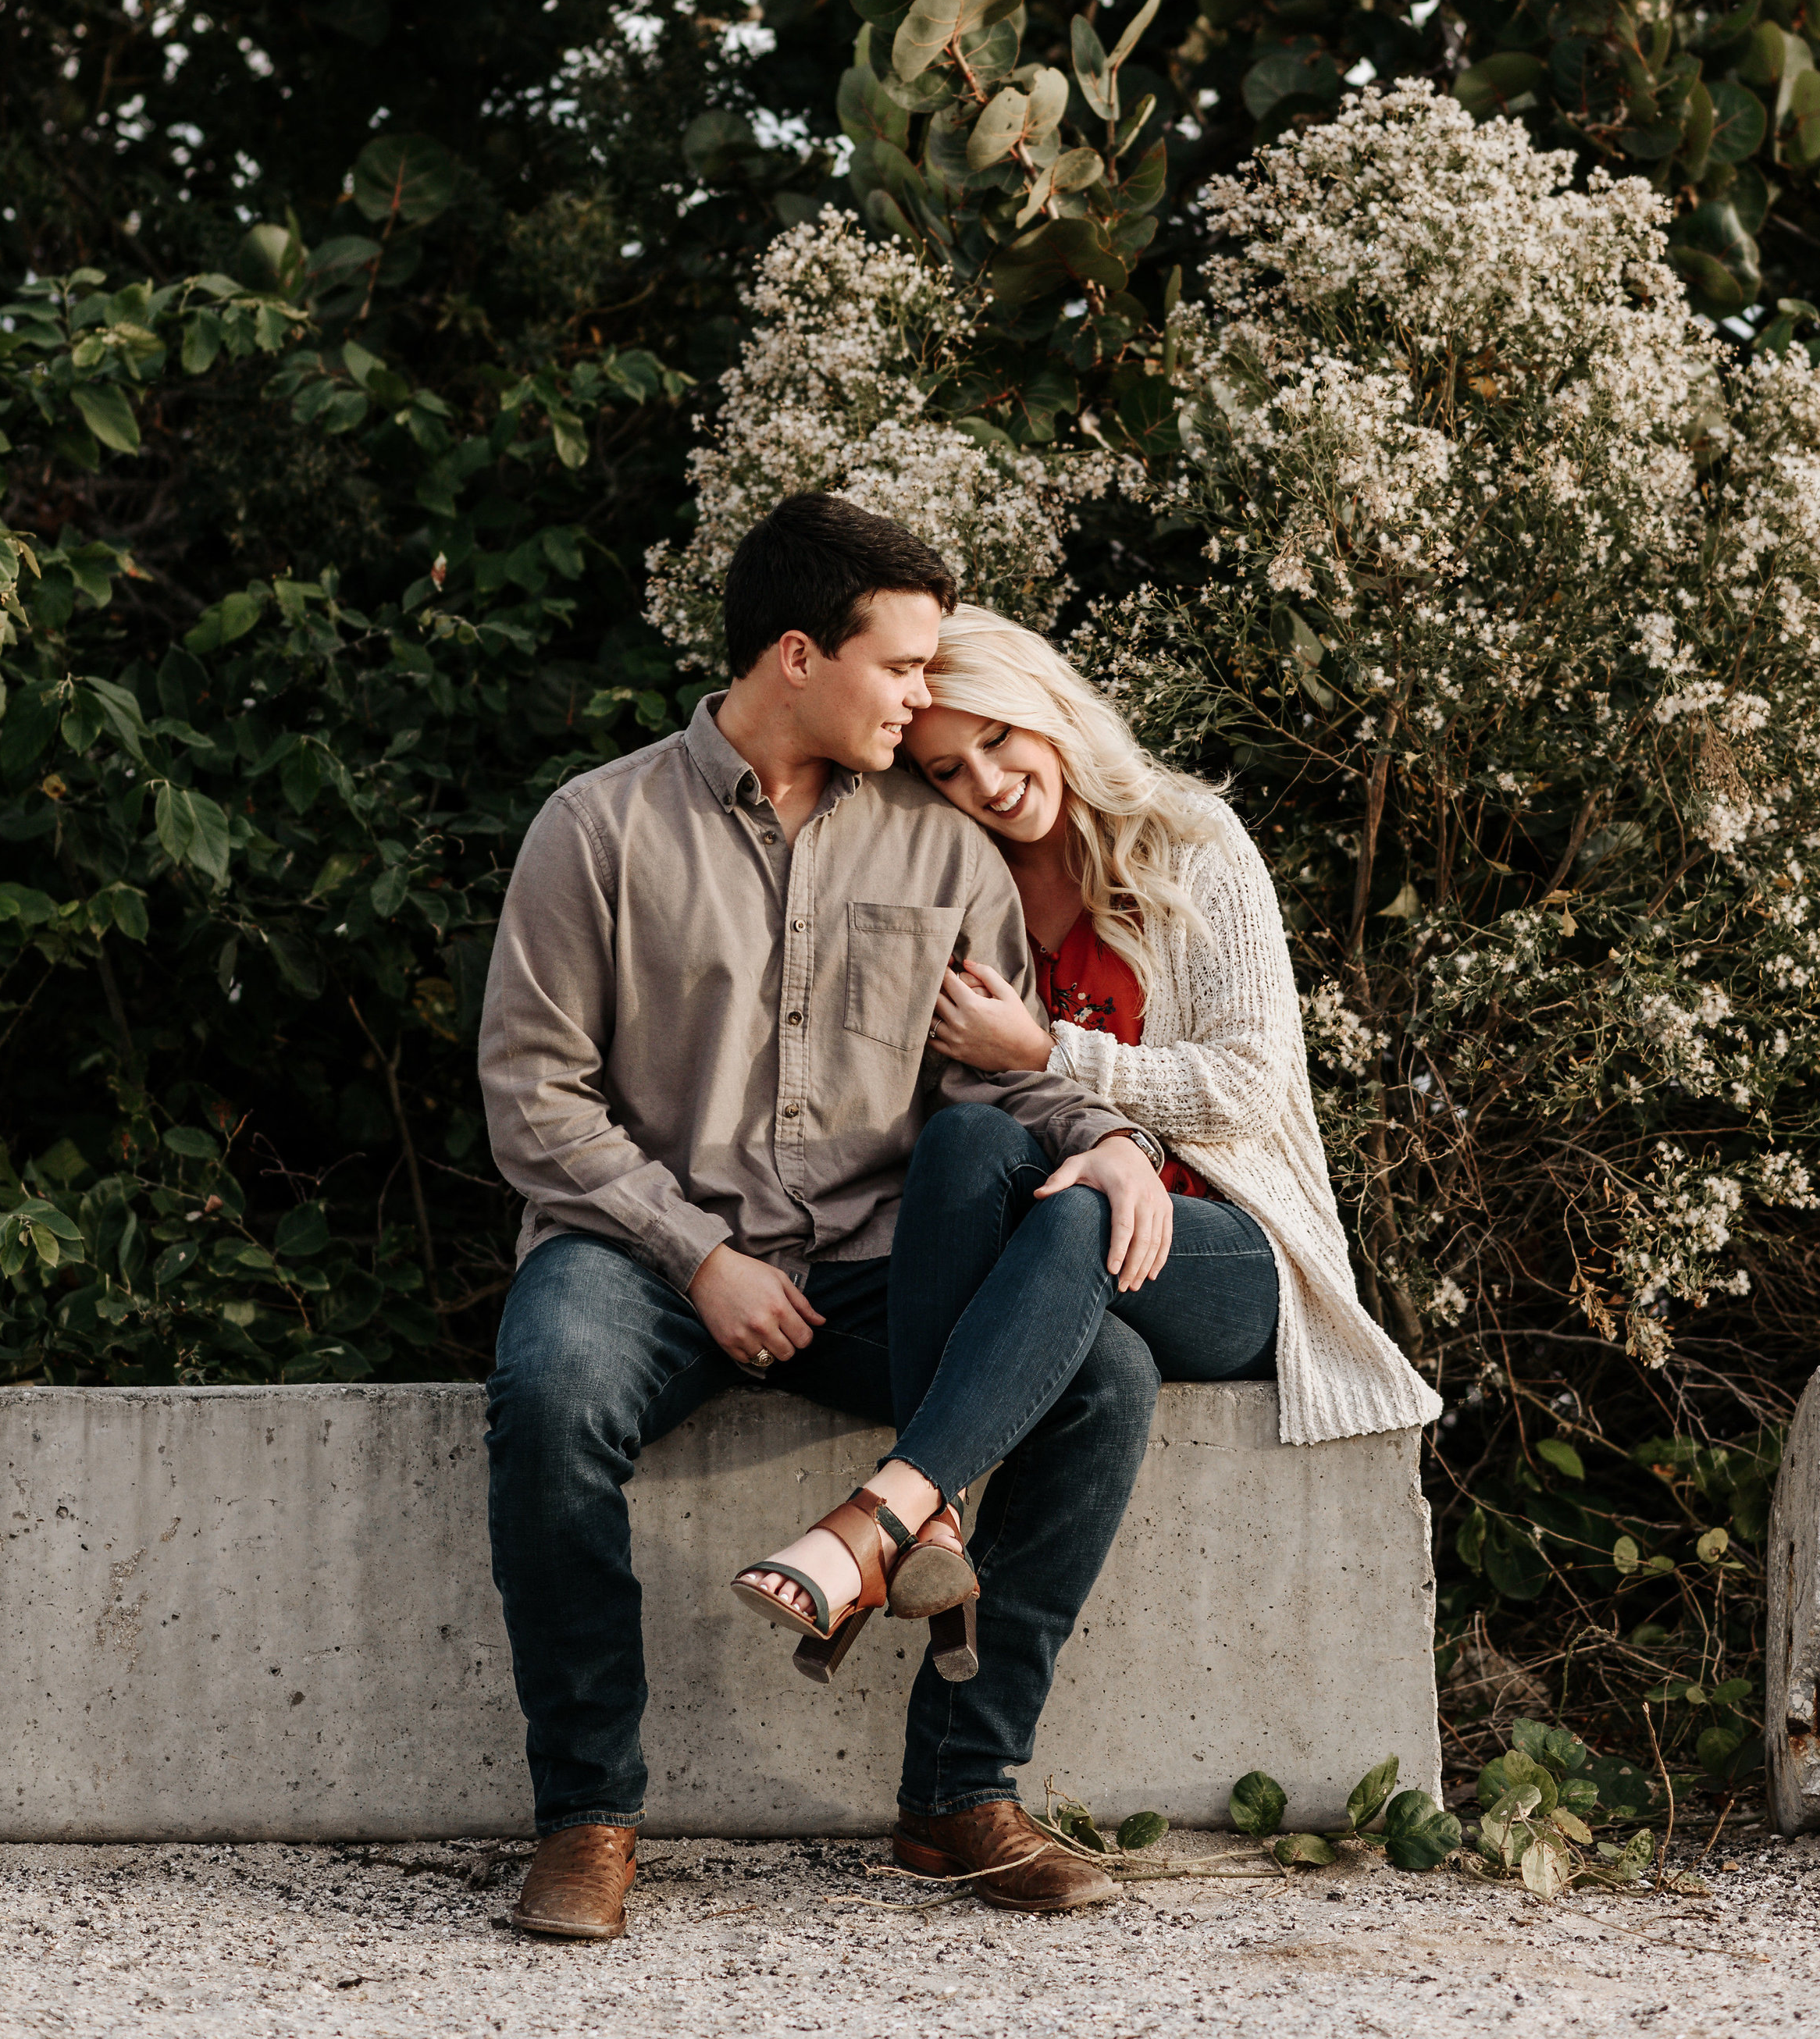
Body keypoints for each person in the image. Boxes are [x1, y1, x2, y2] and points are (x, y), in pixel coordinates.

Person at [479, 495, 1172, 1944]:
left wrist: (1105, 1143)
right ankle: (586, 1818)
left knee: (1105, 1380)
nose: (928, 699)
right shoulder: (595, 831)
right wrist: (700, 1254)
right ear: (800, 655)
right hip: (643, 1259)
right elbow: (537, 1102)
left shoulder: (944, 856)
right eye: (906, 667)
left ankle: (957, 1796)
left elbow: (1002, 1075)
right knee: (550, 1390)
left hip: (868, 1273)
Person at [902, 603, 1443, 1454]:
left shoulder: (1188, 840)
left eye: (998, 735)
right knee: (1102, 1364)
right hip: (1048, 1255)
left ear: (1046, 708)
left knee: (1081, 1214)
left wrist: (1047, 1051)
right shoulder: (969, 886)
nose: (986, 780)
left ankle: (885, 1509)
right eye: (947, 769)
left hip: (1231, 1244)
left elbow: (1247, 1089)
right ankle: (960, 1559)